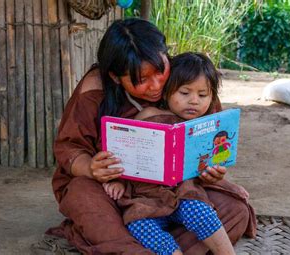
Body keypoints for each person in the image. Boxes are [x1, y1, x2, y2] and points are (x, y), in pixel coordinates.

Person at [48, 18, 256, 254]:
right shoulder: (95, 88)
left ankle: (141, 246)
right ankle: (136, 245)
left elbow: (211, 135)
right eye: (141, 80)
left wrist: (210, 171)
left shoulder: (187, 79)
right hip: (116, 191)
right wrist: (92, 168)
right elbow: (69, 147)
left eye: (160, 71)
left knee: (235, 210)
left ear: (166, 55)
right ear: (116, 77)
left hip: (180, 189)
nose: (156, 85)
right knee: (84, 198)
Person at [102, 52, 235, 255]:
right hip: (146, 198)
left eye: (202, 95)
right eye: (184, 93)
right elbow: (126, 152)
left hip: (185, 194)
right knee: (137, 224)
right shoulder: (148, 116)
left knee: (200, 211)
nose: (193, 101)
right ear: (167, 92)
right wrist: (119, 180)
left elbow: (216, 159)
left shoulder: (208, 127)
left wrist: (215, 172)